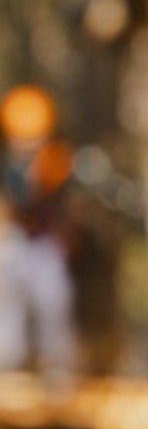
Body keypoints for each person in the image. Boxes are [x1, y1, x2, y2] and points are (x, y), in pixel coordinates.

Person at [0, 84, 77, 380]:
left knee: (52, 302)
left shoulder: (55, 160)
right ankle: (8, 368)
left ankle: (57, 369)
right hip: (14, 242)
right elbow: (12, 201)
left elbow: (58, 201)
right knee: (7, 304)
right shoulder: (7, 163)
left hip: (44, 244)